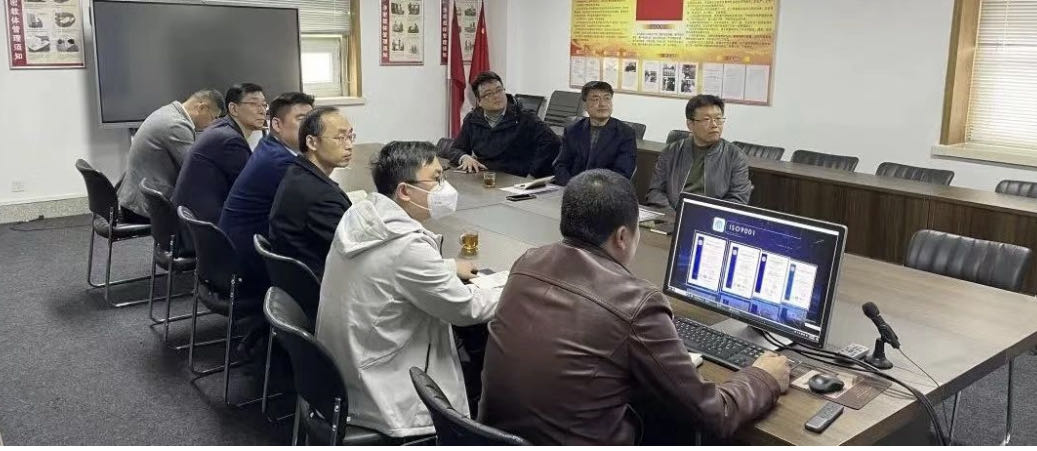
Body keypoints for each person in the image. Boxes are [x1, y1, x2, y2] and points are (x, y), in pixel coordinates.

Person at [479, 169, 789, 445]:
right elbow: (715, 414)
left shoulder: (528, 262)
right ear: (622, 236)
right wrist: (762, 377)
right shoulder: (636, 303)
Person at [316, 141, 499, 438]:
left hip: (344, 369)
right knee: (480, 343)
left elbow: (390, 270)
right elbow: (467, 309)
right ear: (404, 191)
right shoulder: (406, 248)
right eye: (436, 179)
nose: (444, 188)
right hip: (383, 386)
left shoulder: (362, 215)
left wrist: (446, 267)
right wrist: (514, 288)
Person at [218, 92, 314, 297]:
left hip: (233, 253)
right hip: (249, 265)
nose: (311, 128)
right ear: (277, 124)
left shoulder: (269, 146)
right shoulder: (281, 162)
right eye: (302, 120)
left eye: (313, 120)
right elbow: (312, 211)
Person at [268, 106, 354, 278]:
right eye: (340, 138)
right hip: (321, 283)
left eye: (350, 136)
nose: (349, 145)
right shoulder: (320, 197)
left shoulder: (298, 172)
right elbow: (354, 248)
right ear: (312, 142)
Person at [116, 89, 224, 220]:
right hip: (143, 209)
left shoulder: (169, 112)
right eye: (214, 118)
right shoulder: (176, 125)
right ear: (202, 108)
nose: (213, 124)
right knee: (214, 213)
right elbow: (195, 170)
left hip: (135, 200)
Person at [172, 83, 265, 224]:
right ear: (233, 109)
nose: (262, 111)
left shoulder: (221, 128)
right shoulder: (230, 141)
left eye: (264, 105)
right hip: (208, 226)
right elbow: (252, 190)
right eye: (253, 104)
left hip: (192, 220)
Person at [645, 94, 753, 211]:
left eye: (718, 119)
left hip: (711, 218)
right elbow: (655, 191)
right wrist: (673, 215)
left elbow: (738, 199)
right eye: (706, 120)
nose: (714, 125)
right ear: (690, 124)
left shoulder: (735, 156)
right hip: (672, 215)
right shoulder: (671, 152)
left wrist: (706, 217)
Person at [444, 71, 559, 177]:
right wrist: (464, 157)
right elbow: (456, 149)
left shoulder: (524, 118)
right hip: (486, 178)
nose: (496, 96)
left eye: (499, 90)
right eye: (488, 94)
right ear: (479, 101)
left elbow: (552, 143)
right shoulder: (473, 120)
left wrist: (533, 173)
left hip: (515, 179)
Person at [552, 81, 636, 185]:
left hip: (606, 191)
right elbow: (560, 165)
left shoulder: (625, 134)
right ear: (585, 105)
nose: (602, 104)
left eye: (607, 98)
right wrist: (572, 185)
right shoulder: (572, 130)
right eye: (596, 99)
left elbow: (622, 173)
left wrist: (591, 189)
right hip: (572, 187)